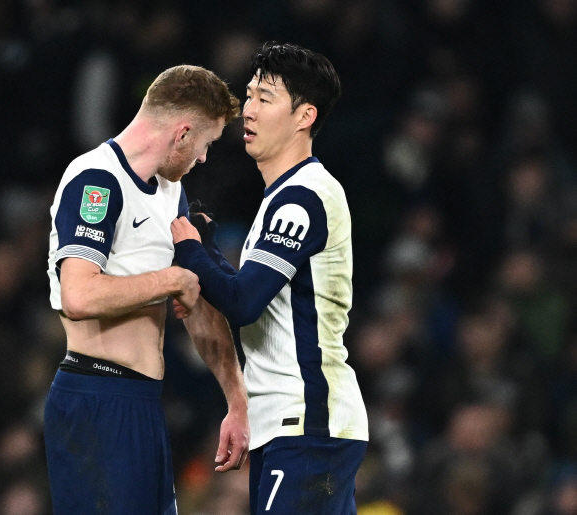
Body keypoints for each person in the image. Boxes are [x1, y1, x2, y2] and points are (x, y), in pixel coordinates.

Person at [171, 42, 368, 514]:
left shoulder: (302, 198)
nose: (249, 111)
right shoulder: (286, 195)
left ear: (304, 117)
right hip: (298, 427)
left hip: (305, 426)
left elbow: (243, 303)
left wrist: (192, 253)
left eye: (267, 98)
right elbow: (252, 296)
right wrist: (208, 252)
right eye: (250, 95)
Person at [44, 65, 249, 515]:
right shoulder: (96, 180)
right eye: (206, 144)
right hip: (97, 399)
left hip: (142, 404)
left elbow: (195, 303)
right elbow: (78, 295)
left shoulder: (169, 194)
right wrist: (172, 280)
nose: (204, 158)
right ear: (183, 132)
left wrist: (236, 400)